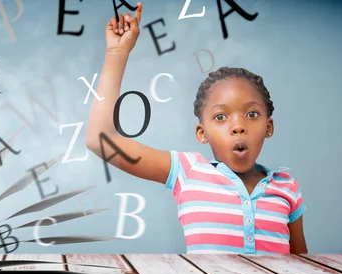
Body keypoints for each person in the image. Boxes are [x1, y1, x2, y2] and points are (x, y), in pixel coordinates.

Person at [85, 2, 307, 254]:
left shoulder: (286, 186)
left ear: (268, 127)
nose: (237, 126)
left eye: (251, 114)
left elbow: (302, 269)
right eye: (221, 116)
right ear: (202, 133)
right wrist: (117, 54)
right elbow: (99, 139)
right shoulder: (187, 172)